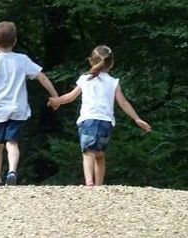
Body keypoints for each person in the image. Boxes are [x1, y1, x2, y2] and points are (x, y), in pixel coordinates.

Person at [0, 21, 58, 186]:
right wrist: (55, 96)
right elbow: (42, 77)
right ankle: (12, 170)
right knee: (12, 142)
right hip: (18, 109)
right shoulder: (22, 60)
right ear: (15, 41)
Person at [48, 45, 152, 186]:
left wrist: (57, 101)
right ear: (111, 63)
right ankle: (99, 186)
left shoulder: (85, 79)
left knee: (88, 152)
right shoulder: (113, 82)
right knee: (100, 155)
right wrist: (137, 118)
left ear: (91, 61)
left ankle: (89, 182)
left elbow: (70, 97)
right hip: (106, 122)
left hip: (88, 120)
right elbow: (123, 102)